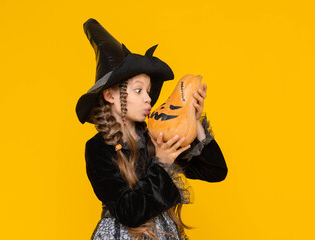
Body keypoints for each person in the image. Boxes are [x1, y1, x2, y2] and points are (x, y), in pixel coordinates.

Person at [75, 18, 228, 240]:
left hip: (163, 234)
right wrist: (163, 162)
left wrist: (194, 121)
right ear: (110, 95)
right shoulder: (98, 148)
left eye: (148, 91)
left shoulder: (156, 135)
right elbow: (128, 212)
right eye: (139, 91)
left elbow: (215, 172)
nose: (149, 99)